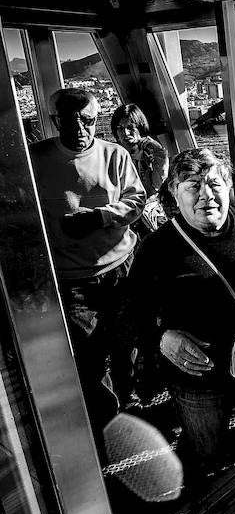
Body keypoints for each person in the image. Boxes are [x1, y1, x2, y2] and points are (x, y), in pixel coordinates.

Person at [126, 148, 235, 514]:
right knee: (208, 449)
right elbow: (132, 308)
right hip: (198, 376)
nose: (207, 195)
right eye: (193, 186)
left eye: (215, 183)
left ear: (229, 187)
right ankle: (202, 502)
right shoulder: (157, 248)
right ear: (174, 192)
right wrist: (162, 337)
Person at [29, 88, 146, 432]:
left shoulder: (116, 154)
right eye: (70, 120)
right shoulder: (34, 160)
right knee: (89, 353)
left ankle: (130, 402)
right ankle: (109, 419)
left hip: (121, 267)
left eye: (89, 120)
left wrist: (100, 217)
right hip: (71, 277)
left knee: (128, 340)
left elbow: (135, 199)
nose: (81, 128)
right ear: (54, 121)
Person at [111, 103, 169, 232]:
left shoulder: (152, 152)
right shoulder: (113, 154)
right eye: (120, 128)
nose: (125, 133)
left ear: (140, 128)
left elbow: (156, 186)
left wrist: (158, 155)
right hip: (122, 213)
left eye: (131, 128)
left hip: (148, 212)